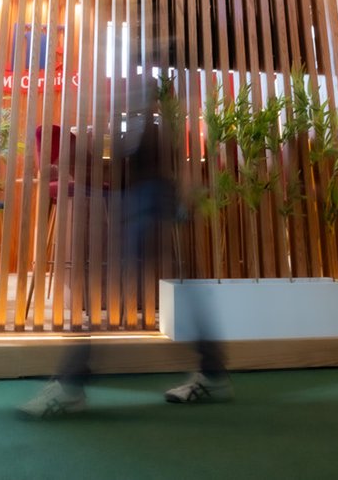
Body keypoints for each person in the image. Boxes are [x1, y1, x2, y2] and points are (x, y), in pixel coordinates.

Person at [19, 66, 228, 418]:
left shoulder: (154, 104)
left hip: (148, 194)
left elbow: (151, 137)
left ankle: (71, 383)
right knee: (144, 285)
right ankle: (213, 370)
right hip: (144, 192)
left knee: (115, 287)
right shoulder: (146, 107)